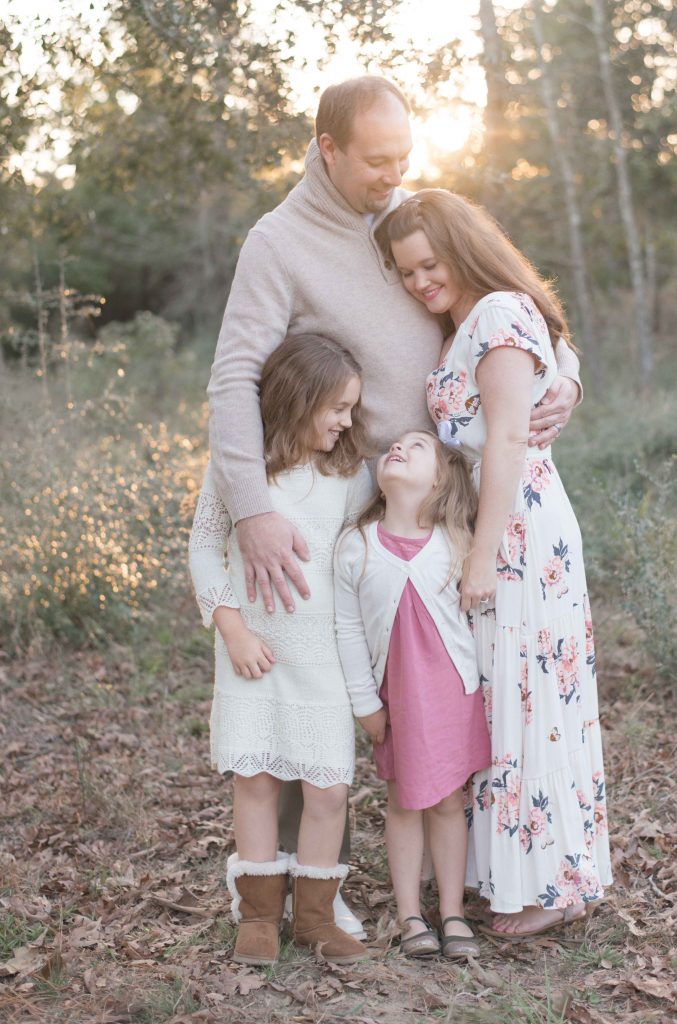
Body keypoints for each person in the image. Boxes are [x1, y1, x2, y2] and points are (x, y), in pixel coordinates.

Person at [207, 75, 584, 930]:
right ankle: (299, 893)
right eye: (377, 162)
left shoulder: (413, 217)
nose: (393, 178)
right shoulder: (277, 243)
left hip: (462, 502)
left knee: (469, 684)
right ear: (327, 148)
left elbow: (514, 307)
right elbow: (233, 375)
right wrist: (253, 509)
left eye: (403, 159)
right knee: (331, 681)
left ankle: (491, 871)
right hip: (359, 503)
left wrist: (567, 377)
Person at [377, 189, 612, 939]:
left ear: (460, 246)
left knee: (530, 699)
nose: (418, 281)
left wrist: (482, 554)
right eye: (404, 271)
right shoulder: (470, 323)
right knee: (505, 695)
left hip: (516, 529)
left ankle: (549, 885)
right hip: (491, 520)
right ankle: (525, 871)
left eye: (427, 263)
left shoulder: (500, 314)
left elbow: (507, 439)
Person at [189, 334, 374, 966]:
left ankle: (315, 919)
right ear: (300, 399)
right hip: (253, 654)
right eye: (338, 407)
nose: (347, 421)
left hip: (320, 655)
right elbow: (202, 549)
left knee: (327, 791)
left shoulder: (347, 475)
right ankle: (260, 916)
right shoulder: (238, 469)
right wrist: (233, 630)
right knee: (257, 780)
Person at [334, 430, 491, 959]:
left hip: (450, 695)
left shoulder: (457, 541)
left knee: (449, 801)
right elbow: (348, 630)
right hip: (396, 699)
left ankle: (452, 911)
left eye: (417, 446)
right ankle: (409, 915)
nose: (397, 449)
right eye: (394, 446)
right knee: (403, 801)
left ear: (441, 478)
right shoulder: (358, 543)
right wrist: (365, 704)